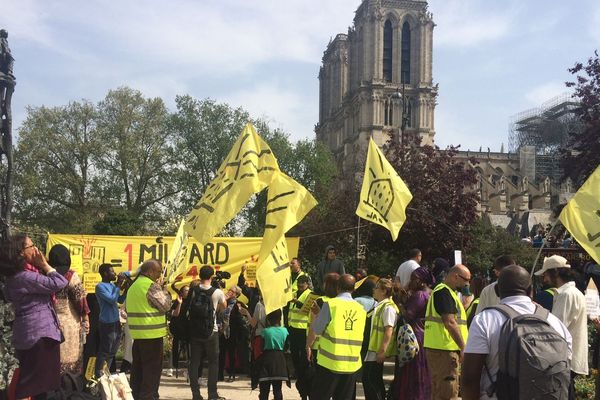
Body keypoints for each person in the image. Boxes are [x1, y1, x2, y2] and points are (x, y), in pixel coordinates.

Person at [462, 264, 572, 400]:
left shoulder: (484, 320)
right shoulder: (555, 322)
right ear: (531, 290)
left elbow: (469, 378)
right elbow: (565, 369)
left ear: (497, 291)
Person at [0, 234, 68, 399]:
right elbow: (59, 282)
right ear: (21, 253)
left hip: (33, 333)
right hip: (39, 335)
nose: (36, 250)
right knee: (31, 386)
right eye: (31, 246)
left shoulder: (18, 277)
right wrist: (45, 264)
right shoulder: (24, 277)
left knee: (40, 386)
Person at [536, 255, 588, 399]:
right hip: (569, 357)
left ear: (556, 272)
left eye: (546, 274)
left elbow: (556, 328)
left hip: (564, 358)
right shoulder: (573, 292)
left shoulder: (566, 294)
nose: (545, 279)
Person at [307, 274, 366, 400]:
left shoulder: (331, 304)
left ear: (338, 287)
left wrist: (317, 315)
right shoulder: (361, 309)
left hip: (330, 363)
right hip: (351, 364)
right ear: (353, 289)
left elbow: (317, 329)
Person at [424, 264, 471, 400]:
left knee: (441, 391)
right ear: (456, 276)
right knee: (447, 392)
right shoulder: (443, 292)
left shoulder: (448, 293)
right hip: (444, 350)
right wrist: (463, 347)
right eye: (466, 280)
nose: (467, 284)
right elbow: (450, 322)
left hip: (442, 348)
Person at [181, 265, 229, 400]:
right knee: (213, 363)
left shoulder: (193, 290)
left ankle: (195, 394)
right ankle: (212, 394)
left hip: (195, 331)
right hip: (211, 332)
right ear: (211, 276)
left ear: (199, 276)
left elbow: (187, 307)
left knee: (194, 363)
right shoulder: (217, 292)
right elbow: (223, 307)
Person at [127, 259, 172, 400]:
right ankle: (148, 397)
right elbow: (166, 305)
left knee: (138, 370)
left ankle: (136, 396)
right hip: (151, 335)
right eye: (158, 272)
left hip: (138, 335)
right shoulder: (150, 286)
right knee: (151, 371)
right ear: (150, 271)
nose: (159, 275)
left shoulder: (134, 286)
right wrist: (164, 290)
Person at [392, 266, 434, 400]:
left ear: (421, 281)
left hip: (415, 336)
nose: (411, 282)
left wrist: (399, 304)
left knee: (414, 371)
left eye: (414, 279)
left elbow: (408, 316)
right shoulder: (431, 293)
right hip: (425, 334)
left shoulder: (420, 295)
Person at [49, 244, 90, 375]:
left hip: (48, 324)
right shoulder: (70, 275)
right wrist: (85, 320)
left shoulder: (45, 274)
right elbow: (81, 302)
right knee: (71, 363)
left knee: (52, 363)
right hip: (69, 325)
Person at [362, 278, 398, 400]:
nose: (374, 289)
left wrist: (382, 351)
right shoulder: (379, 305)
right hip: (372, 349)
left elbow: (389, 330)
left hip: (376, 351)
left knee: (372, 381)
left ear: (383, 291)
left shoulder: (388, 308)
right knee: (370, 380)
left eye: (377, 287)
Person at [94, 263, 127, 378]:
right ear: (105, 273)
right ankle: (98, 375)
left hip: (115, 321)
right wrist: (118, 284)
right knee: (105, 351)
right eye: (112, 271)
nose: (115, 273)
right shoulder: (100, 287)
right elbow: (111, 299)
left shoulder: (113, 286)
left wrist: (126, 288)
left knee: (113, 351)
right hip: (106, 323)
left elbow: (120, 300)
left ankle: (105, 373)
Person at [252, 309, 290, 400]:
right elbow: (286, 347)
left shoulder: (265, 331)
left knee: (264, 391)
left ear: (268, 320)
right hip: (279, 361)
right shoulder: (285, 331)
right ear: (280, 319)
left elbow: (261, 347)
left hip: (266, 360)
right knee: (277, 390)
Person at [287, 274, 312, 398]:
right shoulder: (295, 293)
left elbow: (307, 309)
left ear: (307, 284)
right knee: (294, 352)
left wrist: (297, 302)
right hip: (293, 327)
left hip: (302, 329)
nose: (300, 286)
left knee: (303, 353)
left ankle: (303, 373)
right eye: (299, 284)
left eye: (303, 283)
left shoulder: (309, 295)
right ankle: (298, 372)